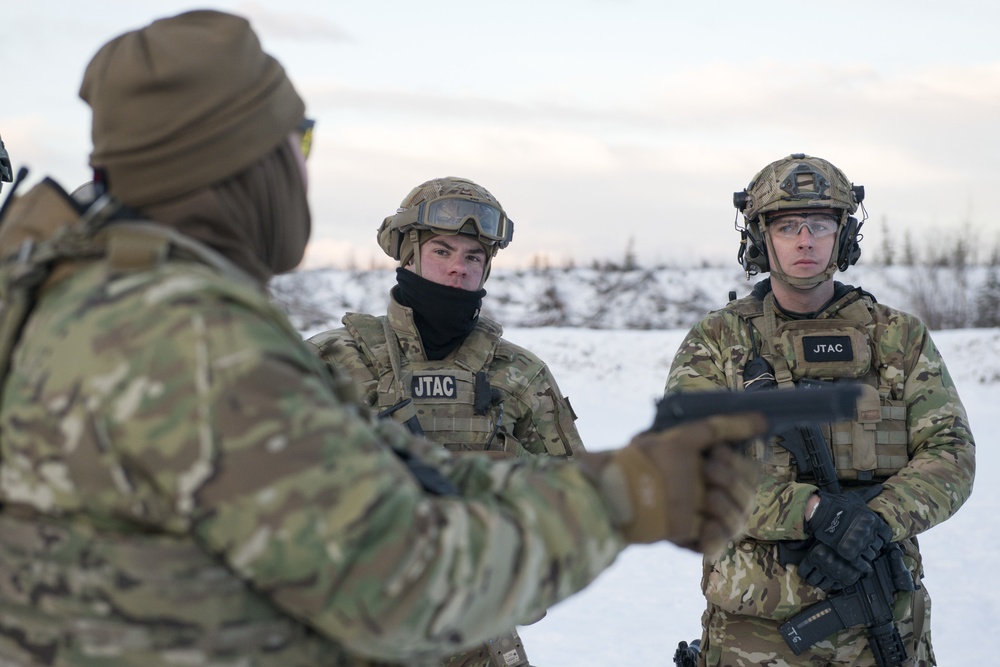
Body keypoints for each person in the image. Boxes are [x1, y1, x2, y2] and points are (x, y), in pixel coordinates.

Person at [0, 10, 766, 666]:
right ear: (236, 161)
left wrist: (604, 475)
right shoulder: (191, 338)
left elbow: (389, 474)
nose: (302, 173)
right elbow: (399, 578)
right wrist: (626, 496)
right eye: (295, 142)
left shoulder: (82, 294)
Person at [665, 153, 976, 666]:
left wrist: (876, 519)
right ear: (762, 238)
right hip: (754, 635)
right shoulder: (719, 340)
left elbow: (952, 453)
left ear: (843, 235)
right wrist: (812, 512)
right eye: (788, 226)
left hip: (886, 627)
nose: (805, 239)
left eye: (820, 224)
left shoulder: (898, 338)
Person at [308, 176, 583, 666]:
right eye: (442, 250)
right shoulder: (332, 361)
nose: (458, 269)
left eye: (473, 257)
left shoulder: (520, 374)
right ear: (407, 254)